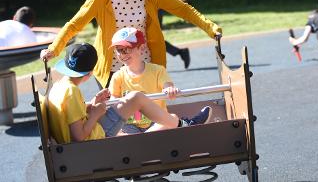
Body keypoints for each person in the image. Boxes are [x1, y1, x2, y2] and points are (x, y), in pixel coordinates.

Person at [40, 0, 222, 88]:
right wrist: (53, 49)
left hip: (144, 65)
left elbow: (184, 10)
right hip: (112, 68)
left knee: (147, 114)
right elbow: (74, 25)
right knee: (118, 118)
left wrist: (211, 28)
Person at [48, 42, 212, 144]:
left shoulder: (60, 86)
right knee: (136, 97)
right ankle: (183, 125)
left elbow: (73, 115)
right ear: (90, 73)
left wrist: (91, 104)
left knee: (136, 99)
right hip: (95, 138)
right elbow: (79, 136)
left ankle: (176, 123)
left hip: (88, 131)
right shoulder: (72, 91)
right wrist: (94, 115)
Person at [108, 27, 207, 134]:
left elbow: (167, 85)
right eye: (119, 50)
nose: (122, 54)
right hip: (130, 124)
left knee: (170, 118)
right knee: (119, 129)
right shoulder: (117, 76)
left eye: (126, 49)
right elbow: (114, 103)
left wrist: (169, 89)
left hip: (156, 122)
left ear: (141, 48)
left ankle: (142, 139)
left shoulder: (157, 70)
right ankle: (185, 125)